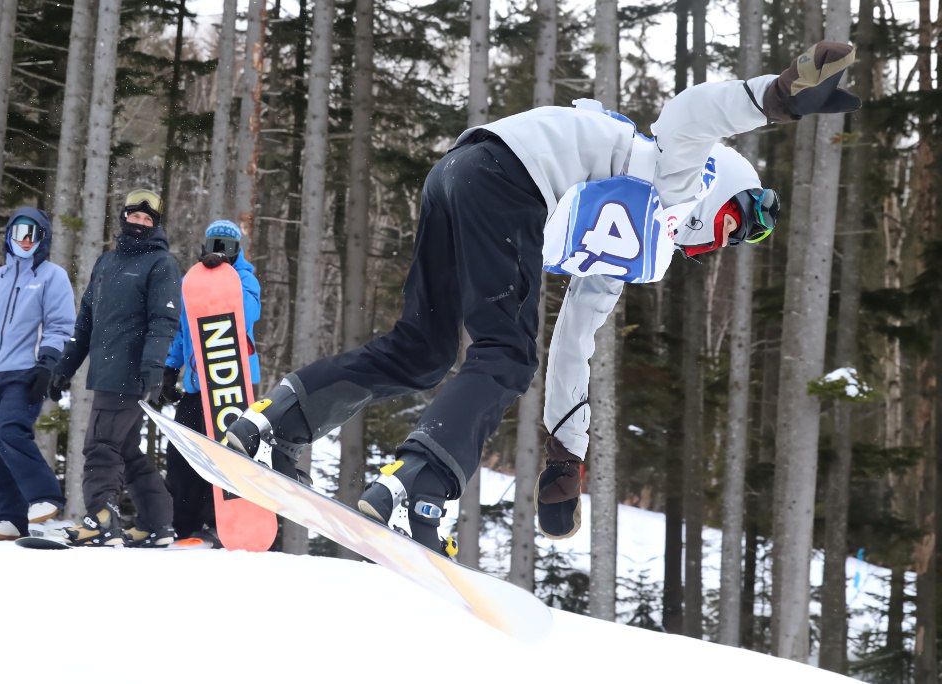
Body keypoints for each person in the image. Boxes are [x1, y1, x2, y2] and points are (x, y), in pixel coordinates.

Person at [222, 42, 861, 553]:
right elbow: (688, 115)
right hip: (510, 178)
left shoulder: (635, 247)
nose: (718, 243)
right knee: (502, 357)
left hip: (459, 175)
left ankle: (274, 420)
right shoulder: (674, 176)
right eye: (728, 225)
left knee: (421, 349)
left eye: (733, 241)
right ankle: (421, 484)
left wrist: (565, 454)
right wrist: (774, 98)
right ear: (716, 193)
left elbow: (572, 349)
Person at [49, 188, 181, 547]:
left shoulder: (161, 264)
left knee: (100, 446)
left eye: (146, 219)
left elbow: (163, 321)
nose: (139, 224)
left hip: (130, 373)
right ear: (123, 218)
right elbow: (86, 321)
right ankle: (158, 523)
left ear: (155, 225)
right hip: (105, 371)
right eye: (134, 217)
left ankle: (102, 519)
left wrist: (155, 368)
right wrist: (65, 367)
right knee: (124, 450)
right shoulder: (106, 263)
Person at [0, 208, 75, 540]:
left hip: (26, 372)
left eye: (32, 234)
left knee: (9, 433)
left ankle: (45, 496)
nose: (25, 240)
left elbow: (59, 324)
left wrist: (47, 364)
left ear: (42, 239)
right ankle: (11, 516)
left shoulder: (51, 276)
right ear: (10, 237)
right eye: (19, 234)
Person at [161, 220, 262, 546]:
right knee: (182, 456)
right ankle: (185, 527)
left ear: (238, 251)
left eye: (228, 247)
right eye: (215, 245)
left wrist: (225, 280)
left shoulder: (245, 279)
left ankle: (215, 525)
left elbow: (246, 314)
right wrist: (170, 368)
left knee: (221, 454)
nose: (221, 253)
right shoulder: (193, 281)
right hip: (196, 386)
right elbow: (182, 330)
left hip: (231, 385)